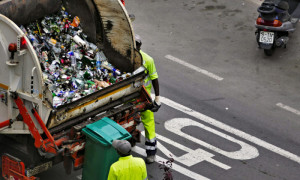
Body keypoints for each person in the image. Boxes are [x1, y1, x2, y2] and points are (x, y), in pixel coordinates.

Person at [135, 34, 161, 164]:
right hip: (130, 96)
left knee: (149, 124)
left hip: (144, 97)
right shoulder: (125, 58)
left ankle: (151, 153)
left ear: (140, 45)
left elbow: (154, 79)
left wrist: (157, 98)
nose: (136, 47)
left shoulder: (148, 60)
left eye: (137, 44)